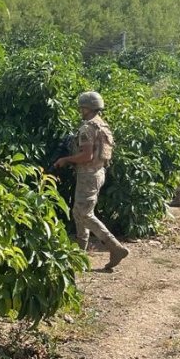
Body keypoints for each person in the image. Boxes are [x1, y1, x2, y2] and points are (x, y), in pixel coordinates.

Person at [53, 91, 129, 270]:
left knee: (84, 214)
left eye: (82, 107)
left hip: (88, 174)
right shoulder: (102, 126)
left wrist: (66, 160)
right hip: (98, 172)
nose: (80, 110)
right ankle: (79, 253)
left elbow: (86, 155)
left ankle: (114, 247)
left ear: (87, 107)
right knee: (79, 212)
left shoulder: (88, 128)